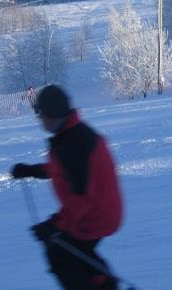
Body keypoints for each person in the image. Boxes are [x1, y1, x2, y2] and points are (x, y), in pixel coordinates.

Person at [10, 85, 123, 290]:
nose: (39, 119)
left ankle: (106, 284)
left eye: (41, 114)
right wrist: (31, 170)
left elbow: (81, 199)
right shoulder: (71, 134)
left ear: (52, 114)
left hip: (95, 215)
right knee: (75, 252)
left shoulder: (74, 142)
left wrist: (54, 225)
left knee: (59, 251)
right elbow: (62, 169)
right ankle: (106, 283)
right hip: (97, 211)